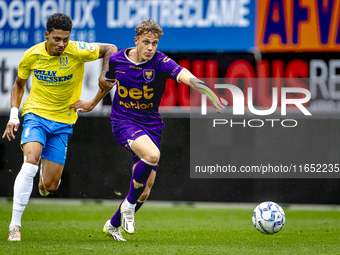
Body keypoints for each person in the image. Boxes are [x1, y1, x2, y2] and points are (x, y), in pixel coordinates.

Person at [99, 18, 227, 241]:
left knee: (145, 190)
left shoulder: (160, 61)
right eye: (146, 42)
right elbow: (106, 83)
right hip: (124, 121)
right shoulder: (118, 59)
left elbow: (186, 75)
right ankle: (127, 205)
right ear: (136, 40)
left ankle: (112, 224)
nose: (150, 48)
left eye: (155, 43)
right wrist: (92, 103)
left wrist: (209, 92)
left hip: (150, 124)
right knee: (152, 155)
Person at [2, 13, 117, 241]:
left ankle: (45, 181)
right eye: (57, 39)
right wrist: (14, 116)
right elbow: (18, 85)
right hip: (36, 114)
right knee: (31, 160)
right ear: (47, 35)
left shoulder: (77, 50)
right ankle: (15, 225)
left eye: (65, 39)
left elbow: (110, 48)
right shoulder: (32, 55)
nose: (62, 44)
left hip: (63, 120)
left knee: (51, 186)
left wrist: (105, 74)